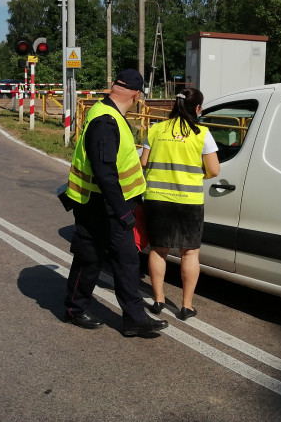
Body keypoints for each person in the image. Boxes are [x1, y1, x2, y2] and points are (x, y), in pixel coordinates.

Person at [64, 69, 169, 337]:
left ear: (113, 87)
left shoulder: (106, 112)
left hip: (113, 204)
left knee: (126, 261)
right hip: (98, 205)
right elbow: (104, 172)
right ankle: (74, 310)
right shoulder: (106, 121)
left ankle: (134, 319)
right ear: (136, 94)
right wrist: (123, 211)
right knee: (90, 259)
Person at [140, 87, 220, 320]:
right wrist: (197, 175)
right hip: (188, 200)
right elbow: (214, 170)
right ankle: (186, 306)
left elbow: (144, 162)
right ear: (197, 108)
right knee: (190, 252)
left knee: (158, 249)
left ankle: (158, 300)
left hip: (156, 198)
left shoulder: (156, 129)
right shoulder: (202, 133)